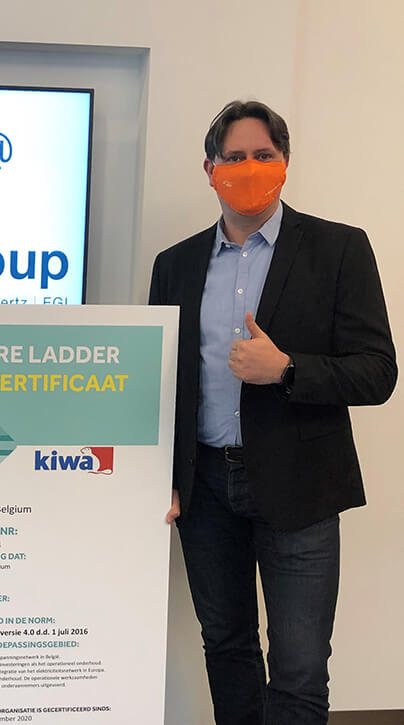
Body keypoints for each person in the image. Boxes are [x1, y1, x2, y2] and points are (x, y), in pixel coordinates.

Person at [148, 100, 396, 724]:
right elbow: (163, 383)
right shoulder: (174, 265)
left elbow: (378, 372)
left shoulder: (339, 249)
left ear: (285, 162)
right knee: (226, 647)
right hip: (205, 489)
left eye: (264, 155)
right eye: (234, 157)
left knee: (300, 667)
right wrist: (164, 476)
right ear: (210, 169)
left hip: (301, 487)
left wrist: (286, 369)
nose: (249, 168)